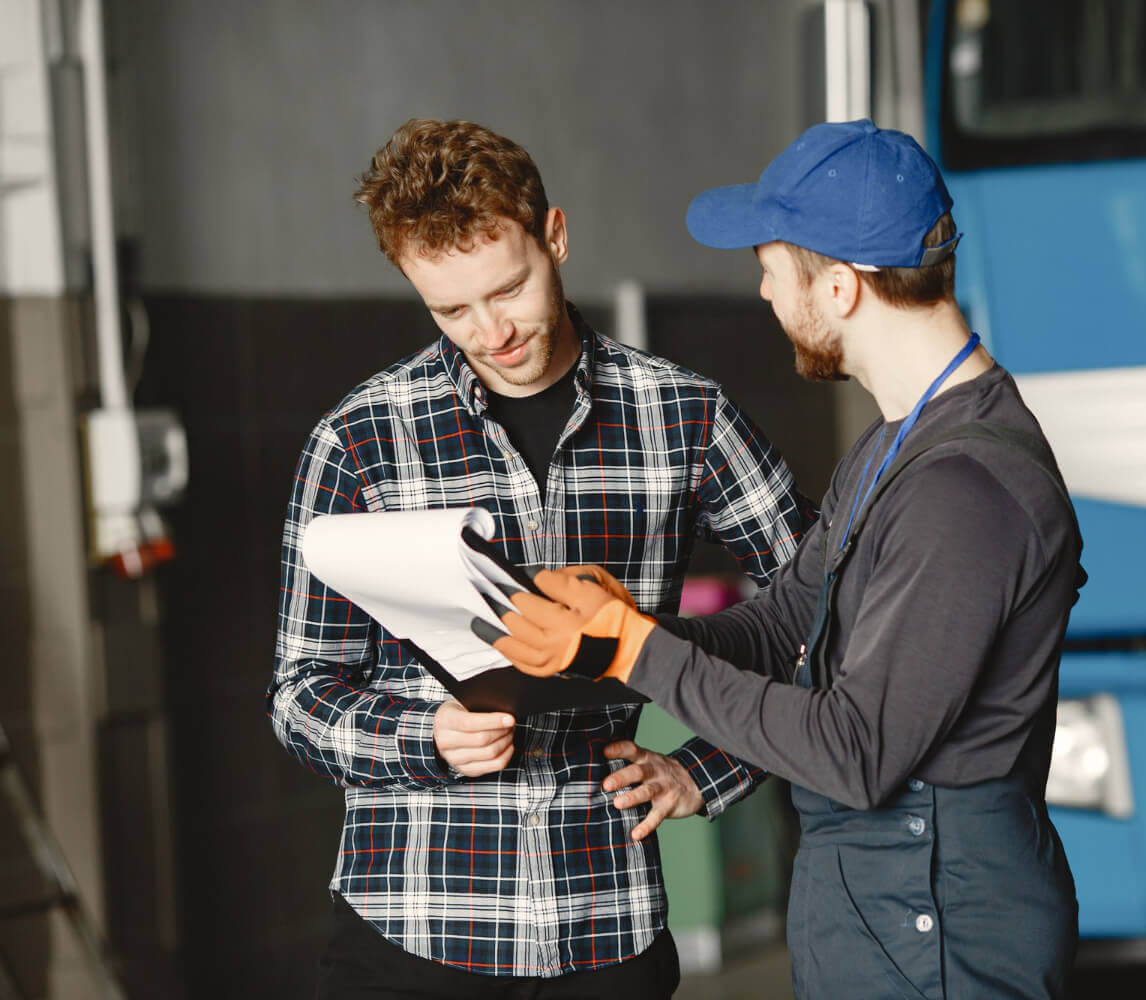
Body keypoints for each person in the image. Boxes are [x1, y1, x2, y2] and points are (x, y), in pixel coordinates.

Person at [489, 119, 1085, 999]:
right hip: (885, 913)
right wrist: (625, 625)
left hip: (943, 931)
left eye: (772, 264)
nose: (764, 292)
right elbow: (783, 624)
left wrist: (636, 654)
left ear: (841, 286)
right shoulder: (896, 447)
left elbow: (857, 749)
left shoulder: (965, 489)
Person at [268, 117, 816, 999]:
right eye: (450, 309)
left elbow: (822, 612)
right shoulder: (360, 440)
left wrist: (706, 771)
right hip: (409, 925)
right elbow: (300, 695)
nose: (491, 332)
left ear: (554, 237)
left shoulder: (684, 415)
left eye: (509, 288)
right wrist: (424, 737)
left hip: (605, 926)